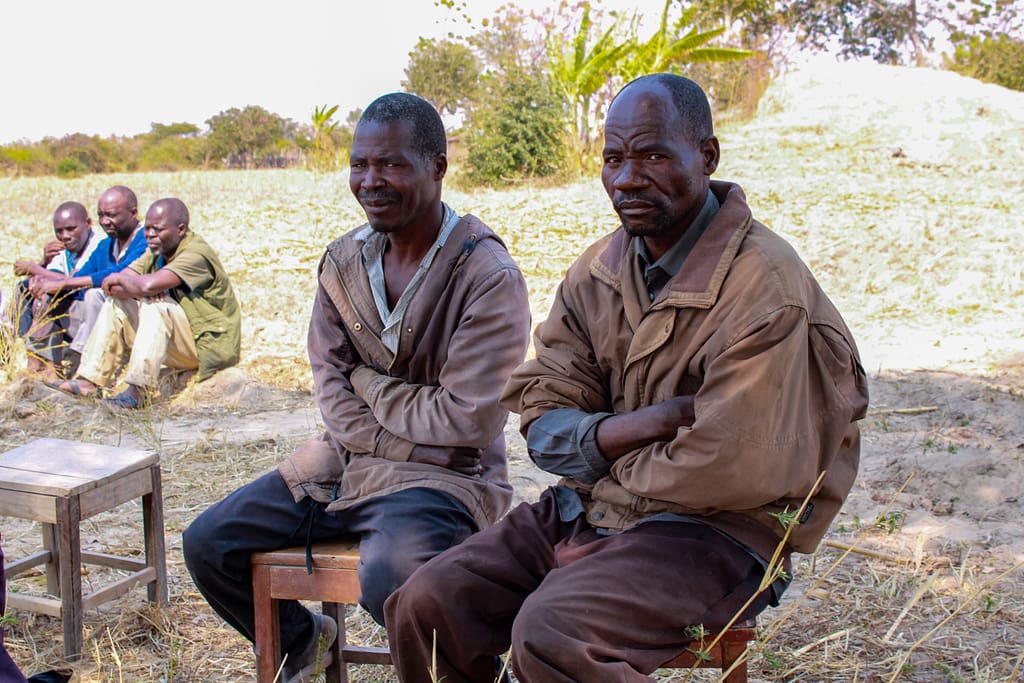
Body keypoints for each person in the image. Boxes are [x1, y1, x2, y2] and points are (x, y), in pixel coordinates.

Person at [384, 74, 869, 683]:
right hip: (590, 509)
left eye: (654, 156)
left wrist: (599, 451)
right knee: (426, 604)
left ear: (707, 156)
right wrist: (647, 425)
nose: (627, 179)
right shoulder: (597, 270)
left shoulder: (765, 288)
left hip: (715, 533)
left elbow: (728, 463)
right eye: (613, 159)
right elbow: (544, 421)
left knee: (552, 633)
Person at [182, 92, 531, 683]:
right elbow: (330, 387)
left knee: (393, 579)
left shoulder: (486, 275)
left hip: (446, 477)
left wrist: (367, 381)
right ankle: (305, 639)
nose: (371, 181)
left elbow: (468, 420)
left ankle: (471, 672)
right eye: (359, 165)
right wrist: (397, 441)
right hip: (345, 462)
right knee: (209, 544)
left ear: (438, 168)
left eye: (391, 164)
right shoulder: (343, 262)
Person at [51, 197, 240, 409]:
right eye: (147, 228)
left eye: (157, 229)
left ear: (180, 229)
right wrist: (139, 288)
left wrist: (143, 288)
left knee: (157, 306)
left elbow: (146, 285)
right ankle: (89, 380)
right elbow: (113, 284)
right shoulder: (156, 250)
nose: (149, 234)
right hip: (180, 337)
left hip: (206, 345)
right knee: (118, 302)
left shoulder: (195, 255)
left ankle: (139, 389)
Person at [28, 186, 148, 376]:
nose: (104, 221)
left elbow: (120, 273)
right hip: (103, 320)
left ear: (133, 213)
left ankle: (81, 363)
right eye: (101, 215)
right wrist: (47, 289)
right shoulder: (106, 245)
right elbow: (80, 281)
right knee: (51, 299)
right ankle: (42, 368)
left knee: (94, 295)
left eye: (111, 215)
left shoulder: (147, 240)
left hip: (136, 319)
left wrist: (61, 282)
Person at [12, 201, 105, 378]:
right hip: (71, 310)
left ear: (88, 223)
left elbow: (74, 281)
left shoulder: (98, 244)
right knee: (27, 289)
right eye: (59, 231)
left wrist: (34, 268)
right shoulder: (64, 248)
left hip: (90, 311)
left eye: (71, 229)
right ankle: (34, 357)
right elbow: (54, 275)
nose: (65, 236)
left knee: (48, 298)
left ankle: (47, 366)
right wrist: (42, 266)